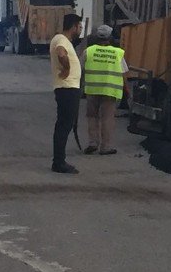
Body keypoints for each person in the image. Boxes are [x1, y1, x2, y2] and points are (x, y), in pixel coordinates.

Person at [81, 25, 128, 156]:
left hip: (92, 89)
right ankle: (105, 147)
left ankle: (92, 143)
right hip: (110, 91)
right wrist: (127, 90)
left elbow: (80, 69)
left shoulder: (88, 51)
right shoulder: (117, 53)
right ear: (110, 37)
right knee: (107, 118)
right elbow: (124, 72)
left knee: (92, 116)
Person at [50, 14, 83, 174]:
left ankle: (59, 160)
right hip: (67, 88)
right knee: (64, 125)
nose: (81, 29)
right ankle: (59, 162)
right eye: (80, 26)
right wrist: (67, 68)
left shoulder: (64, 40)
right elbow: (61, 53)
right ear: (74, 26)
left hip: (69, 87)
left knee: (64, 124)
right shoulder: (61, 40)